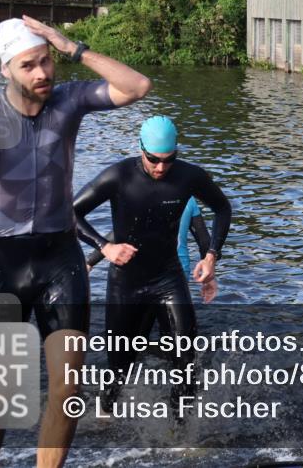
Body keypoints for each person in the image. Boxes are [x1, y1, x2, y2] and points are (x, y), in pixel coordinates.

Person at [0, 15, 152, 468]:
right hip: (2, 262)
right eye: (29, 65)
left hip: (59, 257)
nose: (42, 72)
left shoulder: (69, 100)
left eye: (45, 62)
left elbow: (138, 85)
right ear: (6, 69)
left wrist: (72, 48)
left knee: (68, 387)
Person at [73, 116, 231, 403]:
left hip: (168, 278)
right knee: (120, 368)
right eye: (153, 159)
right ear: (141, 149)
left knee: (187, 359)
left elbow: (223, 208)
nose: (161, 167)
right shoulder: (118, 176)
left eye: (169, 160)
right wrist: (104, 247)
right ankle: (106, 413)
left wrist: (211, 258)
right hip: (126, 284)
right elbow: (70, 213)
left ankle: (180, 434)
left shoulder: (189, 177)